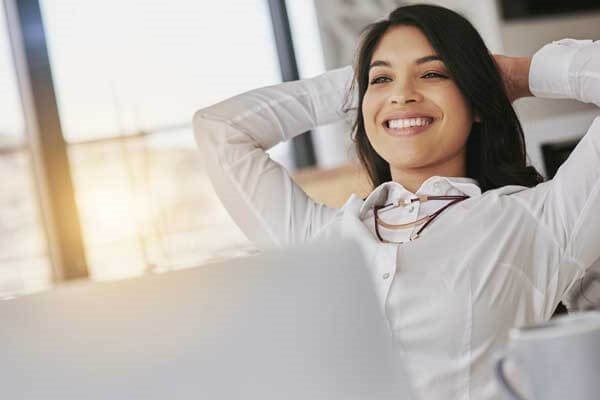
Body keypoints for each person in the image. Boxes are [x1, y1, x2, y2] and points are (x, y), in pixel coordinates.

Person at [193, 4, 600, 400]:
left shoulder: (537, 222)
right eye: (382, 80)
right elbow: (220, 129)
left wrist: (516, 75)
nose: (403, 95)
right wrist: (362, 84)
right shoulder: (319, 242)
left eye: (433, 73)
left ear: (475, 99)